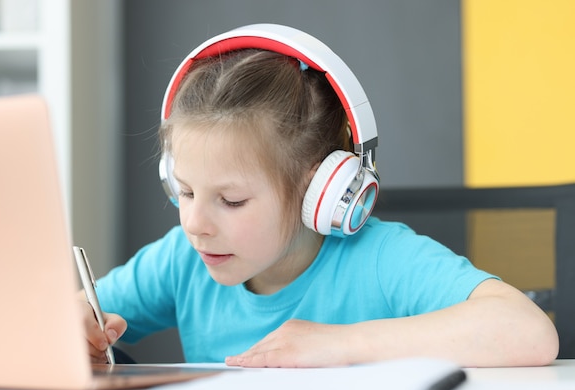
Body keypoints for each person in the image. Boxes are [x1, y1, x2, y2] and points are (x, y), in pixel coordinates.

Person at [82, 24, 558, 368]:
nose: (194, 223)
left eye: (231, 201)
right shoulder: (182, 260)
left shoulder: (379, 259)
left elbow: (529, 332)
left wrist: (342, 344)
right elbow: (81, 313)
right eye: (183, 190)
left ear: (322, 191)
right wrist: (76, 323)